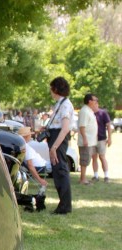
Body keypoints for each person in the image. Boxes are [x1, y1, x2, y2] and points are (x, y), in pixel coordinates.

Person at [47, 77, 74, 214]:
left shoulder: (65, 105)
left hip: (58, 139)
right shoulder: (60, 103)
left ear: (56, 89)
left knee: (61, 171)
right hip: (54, 136)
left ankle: (65, 206)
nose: (50, 91)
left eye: (51, 88)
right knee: (57, 171)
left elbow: (64, 128)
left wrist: (54, 147)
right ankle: (63, 204)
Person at [77, 93, 99, 185]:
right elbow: (82, 126)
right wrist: (85, 138)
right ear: (89, 101)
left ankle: (84, 178)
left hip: (91, 141)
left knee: (87, 160)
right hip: (86, 141)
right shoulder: (85, 111)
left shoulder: (89, 111)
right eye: (95, 100)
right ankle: (82, 179)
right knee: (84, 160)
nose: (96, 102)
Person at [92, 102, 113, 182]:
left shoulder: (103, 113)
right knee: (94, 157)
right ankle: (95, 175)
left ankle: (106, 175)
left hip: (101, 138)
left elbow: (108, 125)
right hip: (92, 139)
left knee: (102, 156)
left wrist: (110, 138)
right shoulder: (91, 113)